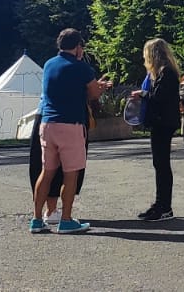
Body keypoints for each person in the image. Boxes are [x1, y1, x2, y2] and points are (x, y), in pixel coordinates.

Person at [31, 29, 110, 234]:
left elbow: (63, 86)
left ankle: (37, 219)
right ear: (78, 47)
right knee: (70, 174)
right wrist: (100, 87)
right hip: (70, 124)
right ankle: (66, 219)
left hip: (47, 123)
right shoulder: (81, 67)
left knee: (47, 172)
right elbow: (93, 93)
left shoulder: (49, 64)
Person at [132, 38, 182, 222]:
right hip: (162, 122)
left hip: (163, 122)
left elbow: (159, 97)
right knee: (159, 164)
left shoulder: (165, 72)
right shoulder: (164, 72)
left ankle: (164, 206)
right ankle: (160, 203)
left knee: (161, 164)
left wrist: (143, 94)